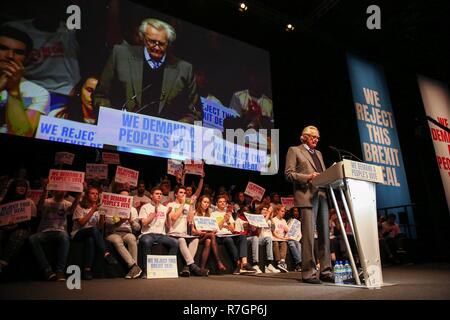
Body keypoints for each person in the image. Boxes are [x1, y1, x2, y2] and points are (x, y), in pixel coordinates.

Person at [93, 18, 202, 124]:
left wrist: (175, 129)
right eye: (152, 42)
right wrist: (114, 119)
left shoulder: (184, 69)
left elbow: (195, 113)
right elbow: (100, 96)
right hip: (120, 133)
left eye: (162, 43)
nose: (157, 47)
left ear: (168, 43)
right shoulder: (120, 55)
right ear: (143, 39)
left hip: (164, 139)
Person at [285, 125, 333, 284]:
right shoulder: (294, 150)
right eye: (313, 136)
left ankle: (326, 271)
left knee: (325, 236)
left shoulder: (319, 153)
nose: (316, 139)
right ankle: (309, 273)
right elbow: (289, 174)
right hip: (307, 196)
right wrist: (308, 176)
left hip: (322, 195)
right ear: (304, 137)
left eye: (318, 137)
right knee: (308, 237)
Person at [0, 26, 50, 137]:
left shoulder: (37, 93)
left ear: (26, 58)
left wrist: (13, 90)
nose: (10, 56)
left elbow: (21, 134)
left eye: (18, 52)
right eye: (3, 48)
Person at [28, 179, 81, 281]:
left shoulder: (67, 203)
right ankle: (47, 270)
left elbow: (72, 210)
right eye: (58, 189)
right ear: (54, 190)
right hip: (44, 231)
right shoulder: (47, 201)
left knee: (65, 236)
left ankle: (60, 271)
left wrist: (78, 195)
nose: (61, 191)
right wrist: (45, 190)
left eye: (63, 189)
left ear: (66, 192)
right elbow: (39, 208)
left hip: (60, 232)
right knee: (32, 239)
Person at [71, 186, 118, 280]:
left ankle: (87, 269)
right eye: (92, 193)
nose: (95, 195)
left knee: (90, 240)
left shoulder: (99, 208)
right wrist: (93, 210)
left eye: (96, 194)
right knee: (93, 230)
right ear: (87, 195)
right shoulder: (80, 207)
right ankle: (106, 254)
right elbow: (82, 223)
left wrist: (102, 215)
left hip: (91, 234)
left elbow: (100, 227)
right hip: (78, 233)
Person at [138, 186, 178, 278]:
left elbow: (168, 226)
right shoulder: (145, 207)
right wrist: (154, 213)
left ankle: (169, 269)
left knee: (175, 242)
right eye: (157, 194)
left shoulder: (164, 208)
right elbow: (144, 223)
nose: (159, 195)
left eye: (160, 194)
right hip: (148, 234)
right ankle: (146, 271)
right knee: (146, 241)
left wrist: (167, 215)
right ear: (151, 196)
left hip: (161, 235)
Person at [210, 195, 256, 274]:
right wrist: (224, 220)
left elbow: (232, 229)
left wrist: (227, 221)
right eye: (220, 202)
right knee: (229, 240)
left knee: (242, 236)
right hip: (219, 236)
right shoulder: (213, 214)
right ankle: (238, 263)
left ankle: (244, 263)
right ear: (217, 204)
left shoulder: (228, 214)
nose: (222, 203)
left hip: (229, 234)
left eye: (224, 202)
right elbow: (216, 228)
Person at [167, 186, 207, 276]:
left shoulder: (187, 205)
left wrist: (190, 205)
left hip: (184, 233)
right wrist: (183, 204)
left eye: (184, 193)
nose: (183, 194)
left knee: (196, 240)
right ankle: (193, 267)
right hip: (173, 233)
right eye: (181, 192)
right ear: (176, 194)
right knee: (181, 240)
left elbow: (190, 220)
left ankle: (186, 267)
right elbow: (173, 218)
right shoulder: (170, 205)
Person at [0, 179, 37, 274]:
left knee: (18, 234)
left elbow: (31, 222)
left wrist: (15, 226)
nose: (22, 188)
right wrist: (4, 227)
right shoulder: (3, 202)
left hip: (22, 228)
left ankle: (3, 262)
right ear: (13, 188)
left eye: (24, 186)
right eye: (19, 186)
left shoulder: (29, 202)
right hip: (4, 227)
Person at [105, 188, 142, 279]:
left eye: (127, 196)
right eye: (123, 196)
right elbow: (108, 224)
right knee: (117, 240)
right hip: (113, 232)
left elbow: (137, 228)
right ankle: (133, 266)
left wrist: (131, 221)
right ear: (118, 197)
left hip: (127, 232)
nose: (125, 198)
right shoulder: (111, 208)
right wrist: (121, 221)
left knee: (132, 238)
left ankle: (134, 269)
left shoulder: (132, 209)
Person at [192, 195, 227, 273]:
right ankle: (218, 261)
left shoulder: (210, 214)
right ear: (200, 202)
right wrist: (197, 232)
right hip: (197, 236)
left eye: (208, 202)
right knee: (211, 236)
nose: (206, 204)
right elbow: (192, 229)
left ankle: (202, 268)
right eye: (204, 202)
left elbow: (212, 226)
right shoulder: (195, 213)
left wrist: (213, 229)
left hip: (206, 235)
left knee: (208, 241)